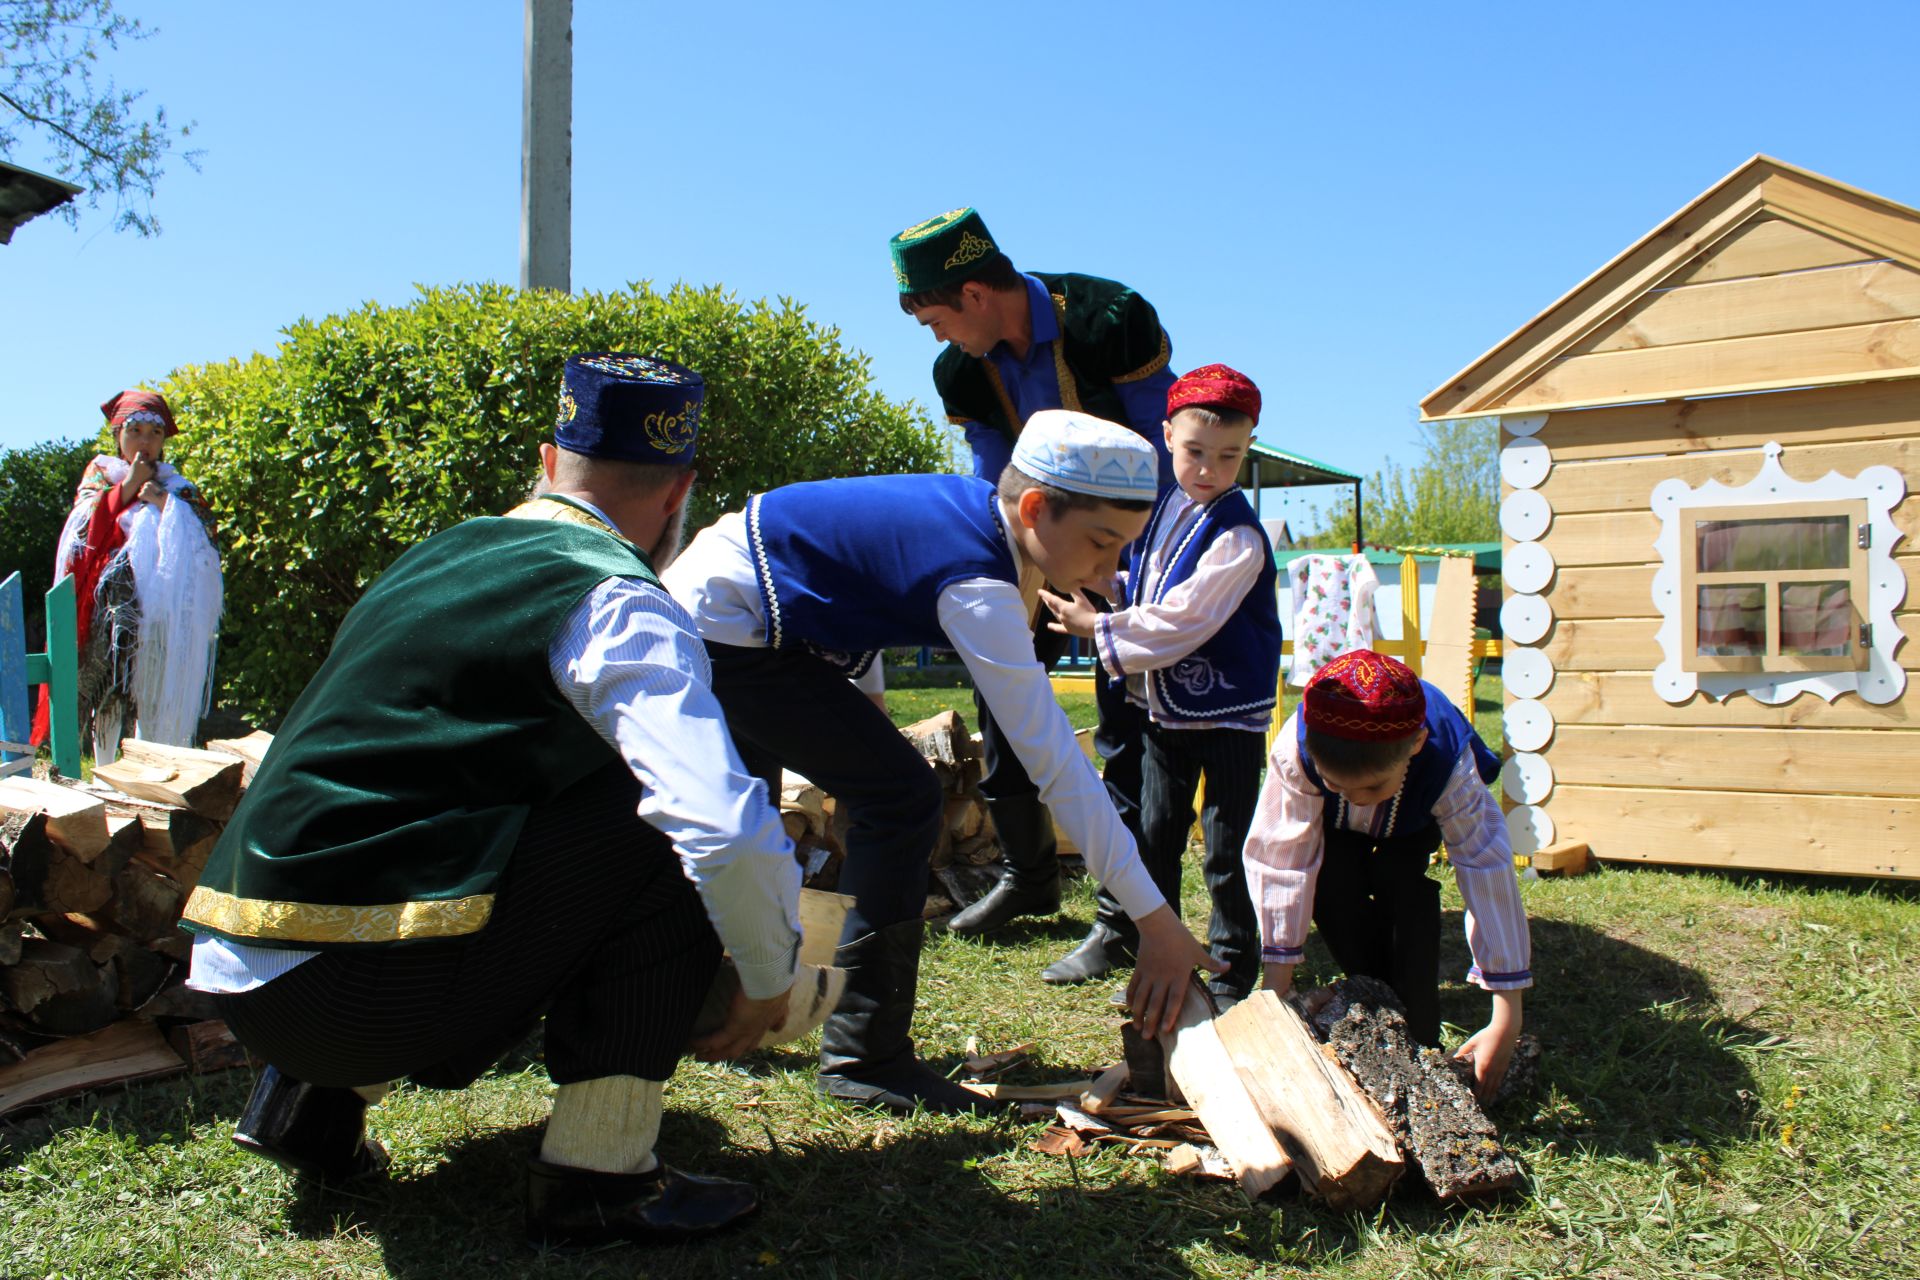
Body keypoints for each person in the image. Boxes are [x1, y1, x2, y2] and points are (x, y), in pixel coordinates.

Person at [181, 354, 807, 1250]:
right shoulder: (618, 595)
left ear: (551, 463)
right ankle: (601, 1177)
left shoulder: (434, 558)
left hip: (242, 985)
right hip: (356, 1000)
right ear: (680, 497)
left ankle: (308, 1111)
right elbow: (718, 824)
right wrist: (766, 975)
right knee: (687, 790)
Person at [663, 409, 1223, 1114]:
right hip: (725, 626)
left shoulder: (975, 521)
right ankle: (864, 1059)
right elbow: (1057, 763)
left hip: (736, 611)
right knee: (898, 801)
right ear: (1035, 508)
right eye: (1102, 544)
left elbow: (852, 581)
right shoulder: (980, 583)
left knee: (776, 817)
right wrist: (1157, 922)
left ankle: (702, 1013)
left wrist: (863, 710)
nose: (1110, 576)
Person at [889, 207, 1176, 938]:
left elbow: (1162, 452)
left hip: (1129, 549)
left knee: (1126, 723)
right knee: (1001, 690)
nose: (939, 338)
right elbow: (994, 481)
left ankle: (1123, 915)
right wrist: (1013, 573)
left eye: (936, 320)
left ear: (976, 297)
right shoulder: (960, 371)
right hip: (1035, 553)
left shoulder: (1110, 317)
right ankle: (1029, 875)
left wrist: (1121, 563)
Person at [1040, 365, 1279, 998]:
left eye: (1228, 456)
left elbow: (1186, 620)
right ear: (1167, 435)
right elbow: (1147, 588)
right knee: (1155, 840)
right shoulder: (1160, 509)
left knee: (1228, 851)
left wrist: (1099, 628)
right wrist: (1105, 587)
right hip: (1164, 716)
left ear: (1248, 448)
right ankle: (1159, 953)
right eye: (1196, 452)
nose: (1208, 469)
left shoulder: (1238, 537)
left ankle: (1230, 968)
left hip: (1227, 715)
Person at [1241, 650, 1531, 1099]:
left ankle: (1417, 1024)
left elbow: (1484, 867)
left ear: (1415, 744)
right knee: (1331, 886)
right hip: (1331, 831)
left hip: (1412, 821)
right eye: (1337, 784)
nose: (1358, 800)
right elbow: (1284, 859)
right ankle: (1375, 993)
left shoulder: (1447, 764)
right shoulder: (1295, 751)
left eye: (1372, 787)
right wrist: (1276, 990)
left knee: (1405, 890)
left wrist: (1507, 1014)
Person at [31, 390, 222, 761]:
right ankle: (103, 769)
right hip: (110, 610)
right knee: (109, 694)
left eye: (154, 432)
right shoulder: (101, 475)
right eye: (135, 430)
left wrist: (165, 504)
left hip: (160, 612)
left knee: (153, 687)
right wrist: (129, 487)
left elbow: (207, 537)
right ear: (118, 434)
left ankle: (153, 764)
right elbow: (82, 531)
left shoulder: (178, 488)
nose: (145, 441)